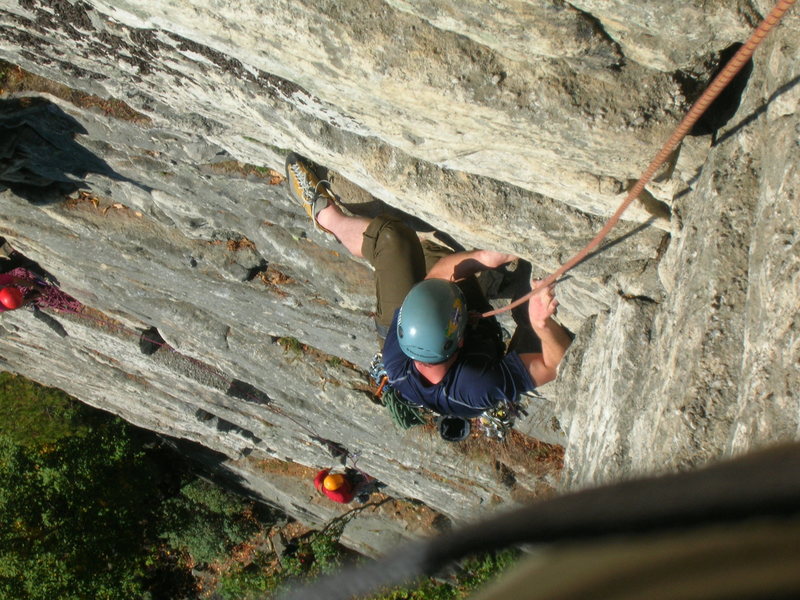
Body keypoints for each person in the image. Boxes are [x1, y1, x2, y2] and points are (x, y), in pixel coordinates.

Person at [285, 153, 572, 419]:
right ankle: (331, 219)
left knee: (394, 240)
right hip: (466, 350)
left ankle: (326, 216)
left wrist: (484, 258)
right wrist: (542, 323)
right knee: (527, 314)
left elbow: (435, 279)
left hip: (404, 324)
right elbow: (555, 365)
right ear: (462, 334)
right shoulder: (478, 384)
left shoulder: (398, 354)